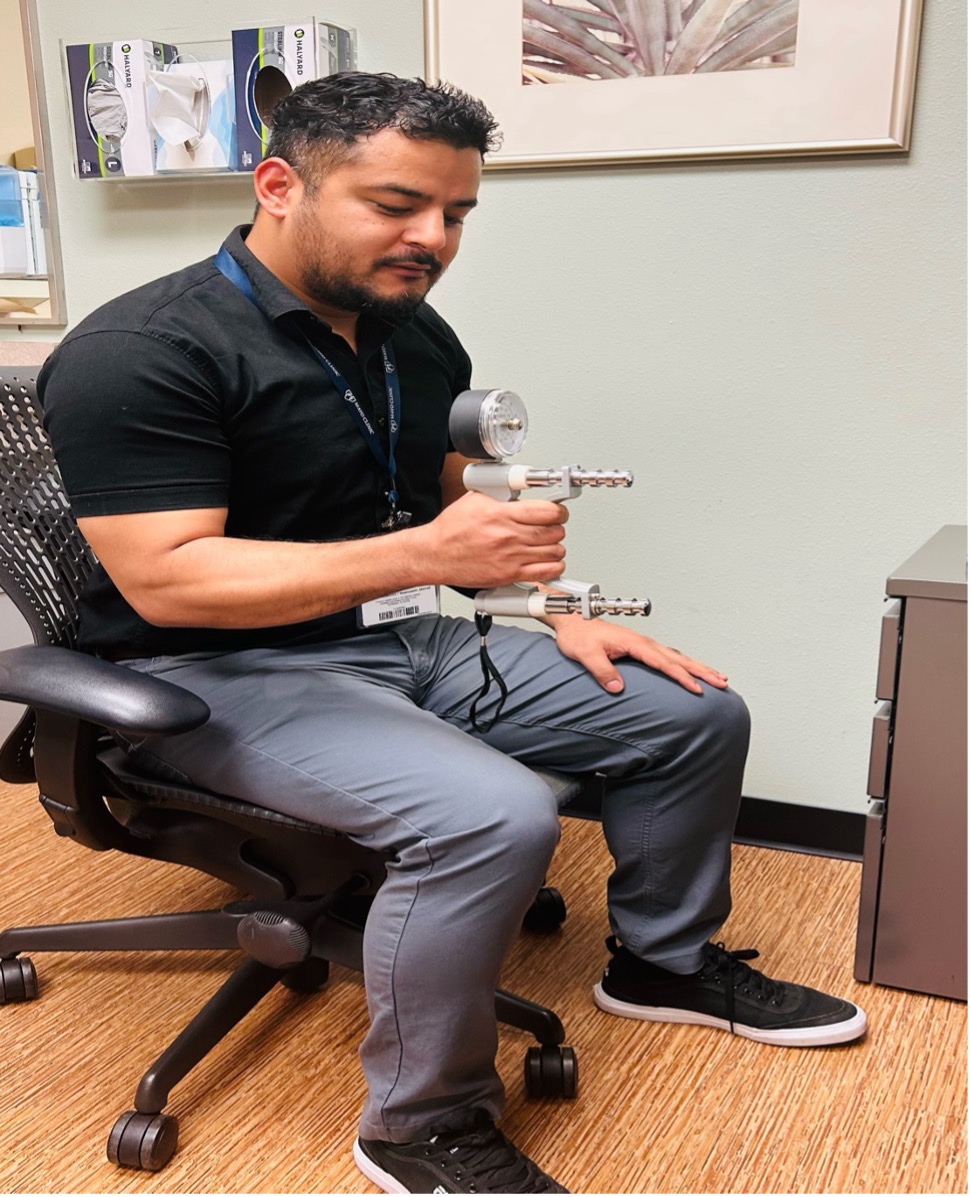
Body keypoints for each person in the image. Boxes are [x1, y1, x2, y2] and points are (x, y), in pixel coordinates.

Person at [38, 72, 866, 1195]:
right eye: (395, 205)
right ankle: (418, 1124)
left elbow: (442, 500)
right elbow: (172, 580)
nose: (431, 238)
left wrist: (554, 609)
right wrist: (432, 559)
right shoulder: (144, 348)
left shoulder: (408, 333)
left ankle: (664, 964)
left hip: (395, 639)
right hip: (210, 672)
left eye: (457, 213)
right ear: (279, 185)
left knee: (689, 712)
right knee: (492, 814)